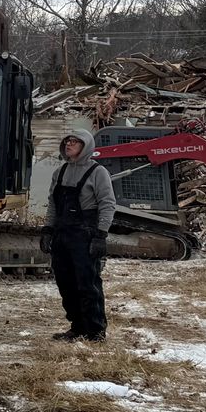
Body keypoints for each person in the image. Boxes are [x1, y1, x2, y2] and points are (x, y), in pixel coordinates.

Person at [45, 128, 116, 341]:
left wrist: (100, 235)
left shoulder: (98, 172)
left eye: (75, 142)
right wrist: (48, 230)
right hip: (62, 234)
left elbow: (108, 204)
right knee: (65, 283)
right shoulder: (61, 172)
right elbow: (52, 204)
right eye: (67, 141)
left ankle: (95, 331)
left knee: (88, 284)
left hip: (84, 236)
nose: (69, 145)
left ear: (85, 146)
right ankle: (77, 327)